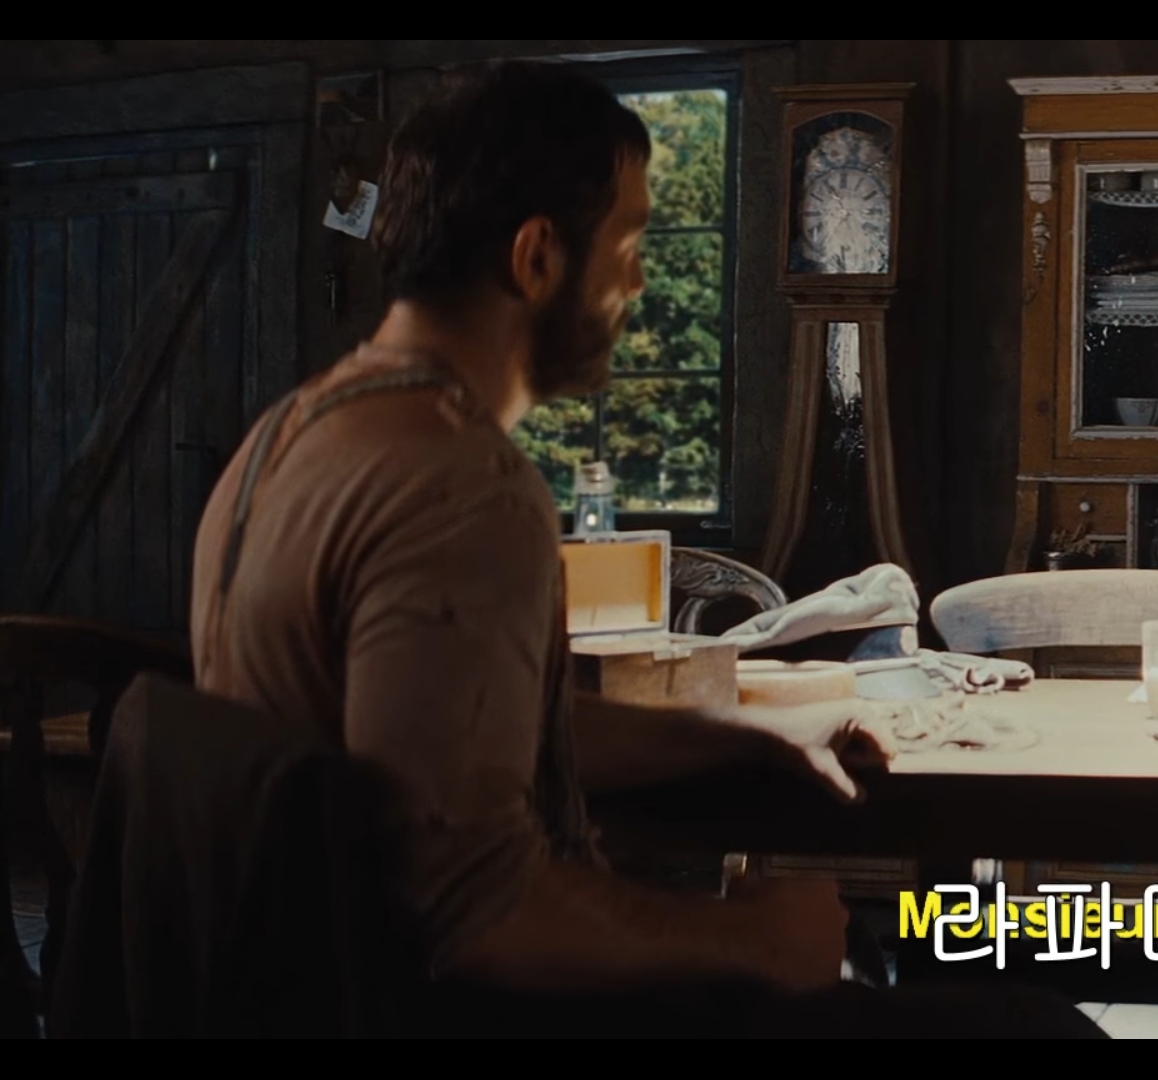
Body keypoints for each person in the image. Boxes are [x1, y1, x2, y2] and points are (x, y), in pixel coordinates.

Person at [186, 59, 1107, 1039]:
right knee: (1040, 1031)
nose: (636, 280)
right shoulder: (457, 489)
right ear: (537, 257)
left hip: (307, 992)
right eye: (626, 243)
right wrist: (756, 938)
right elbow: (478, 916)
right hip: (451, 1013)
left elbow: (467, 737)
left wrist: (742, 738)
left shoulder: (285, 440)